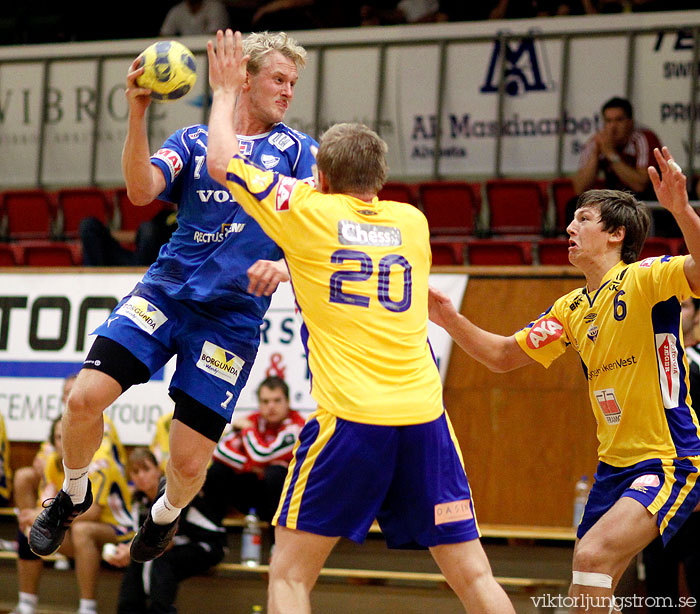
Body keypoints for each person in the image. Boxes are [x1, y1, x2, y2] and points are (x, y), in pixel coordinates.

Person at [206, 29, 516, 614]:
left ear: (320, 177)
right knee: (475, 577)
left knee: (291, 577)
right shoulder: (413, 222)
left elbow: (222, 162)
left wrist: (225, 93)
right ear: (381, 180)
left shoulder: (307, 211)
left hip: (350, 419)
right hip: (425, 418)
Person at [29, 30, 317, 565]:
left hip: (229, 319)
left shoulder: (300, 153)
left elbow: (324, 231)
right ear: (244, 77)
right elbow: (140, 191)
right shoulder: (192, 138)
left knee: (186, 466)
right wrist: (137, 112)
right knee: (81, 399)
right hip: (165, 293)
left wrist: (282, 263)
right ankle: (71, 493)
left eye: (293, 82)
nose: (288, 91)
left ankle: (163, 516)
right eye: (279, 78)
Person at [428, 148, 700, 613]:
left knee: (594, 556)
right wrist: (448, 318)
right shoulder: (570, 309)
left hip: (667, 459)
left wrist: (681, 209)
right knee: (584, 594)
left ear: (616, 235)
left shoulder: (647, 279)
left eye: (583, 219)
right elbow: (501, 355)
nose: (570, 228)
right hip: (613, 467)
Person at [13, 415, 133, 614]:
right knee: (31, 527)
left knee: (81, 530)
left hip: (118, 529)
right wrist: (34, 517)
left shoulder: (98, 462)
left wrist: (42, 517)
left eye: (67, 436)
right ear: (53, 442)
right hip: (78, 530)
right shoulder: (52, 462)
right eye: (59, 437)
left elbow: (93, 512)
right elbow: (45, 505)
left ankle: (87, 608)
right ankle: (26, 604)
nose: (63, 442)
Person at [107, 448, 226, 614]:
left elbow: (164, 542)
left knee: (160, 560)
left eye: (146, 469)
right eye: (135, 472)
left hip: (208, 544)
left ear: (157, 470)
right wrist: (125, 550)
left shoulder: (172, 494)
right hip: (176, 545)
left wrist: (130, 551)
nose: (141, 475)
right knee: (138, 561)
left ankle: (161, 610)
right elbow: (140, 537)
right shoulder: (138, 501)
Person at [641, 296, 700, 613]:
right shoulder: (647, 364)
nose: (677, 312)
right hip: (657, 495)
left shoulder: (696, 363)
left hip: (697, 496)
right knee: (658, 591)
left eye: (686, 305)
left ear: (697, 315)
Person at [203, 375, 305, 524]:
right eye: (265, 401)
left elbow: (261, 455)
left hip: (285, 497)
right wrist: (251, 467)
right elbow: (220, 451)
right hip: (253, 492)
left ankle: (276, 543)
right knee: (217, 471)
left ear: (288, 402)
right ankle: (213, 539)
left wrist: (249, 432)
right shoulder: (254, 420)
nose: (271, 406)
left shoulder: (296, 426)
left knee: (275, 473)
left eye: (277, 400)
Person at [568, 97, 662, 226]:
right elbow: (580, 188)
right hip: (615, 199)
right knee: (575, 204)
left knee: (636, 203)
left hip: (646, 198)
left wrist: (611, 154)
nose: (613, 126)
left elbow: (640, 185)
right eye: (608, 121)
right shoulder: (599, 141)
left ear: (630, 122)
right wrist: (595, 154)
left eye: (619, 120)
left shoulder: (643, 138)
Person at [79, 206, 177, 267]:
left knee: (147, 227)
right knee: (89, 225)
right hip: (138, 258)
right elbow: (143, 237)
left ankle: (140, 278)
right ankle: (93, 276)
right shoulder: (165, 214)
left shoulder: (190, 220)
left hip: (157, 263)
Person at [160, 0, 231, 36]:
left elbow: (215, 36)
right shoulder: (176, 10)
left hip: (210, 54)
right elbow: (164, 36)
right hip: (183, 53)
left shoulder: (215, 7)